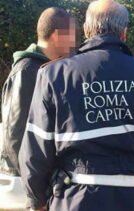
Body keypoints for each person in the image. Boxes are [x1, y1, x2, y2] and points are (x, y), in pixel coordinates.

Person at [18, 0, 134, 210]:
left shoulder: (53, 75)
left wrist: (37, 201)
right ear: (124, 33)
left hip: (75, 201)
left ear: (86, 30)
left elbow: (35, 151)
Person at [0, 7, 76, 176]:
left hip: (42, 175)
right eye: (71, 36)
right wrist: (29, 182)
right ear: (57, 36)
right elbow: (15, 131)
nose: (73, 44)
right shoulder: (26, 71)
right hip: (23, 179)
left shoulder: (51, 69)